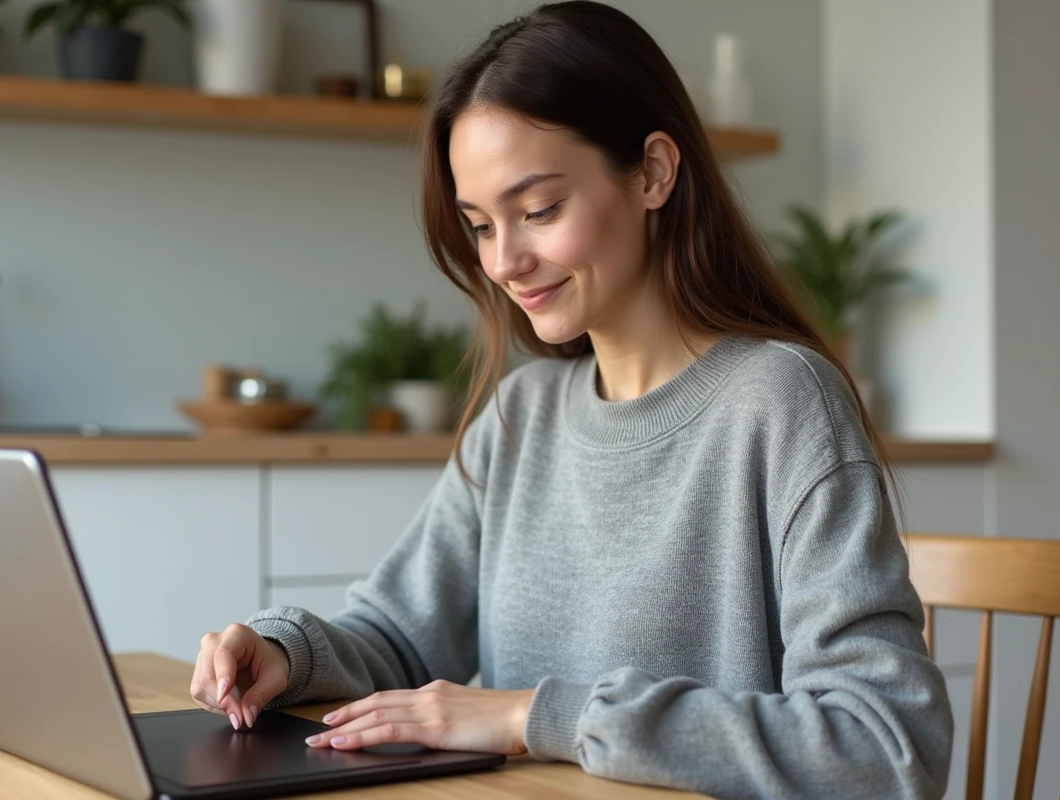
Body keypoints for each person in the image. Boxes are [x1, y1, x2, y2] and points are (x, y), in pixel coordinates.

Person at [190, 2, 953, 797]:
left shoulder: (782, 403)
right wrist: (284, 654)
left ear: (654, 172)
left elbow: (886, 746)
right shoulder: (522, 416)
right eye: (481, 225)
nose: (505, 261)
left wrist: (533, 718)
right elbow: (398, 635)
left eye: (540, 210)